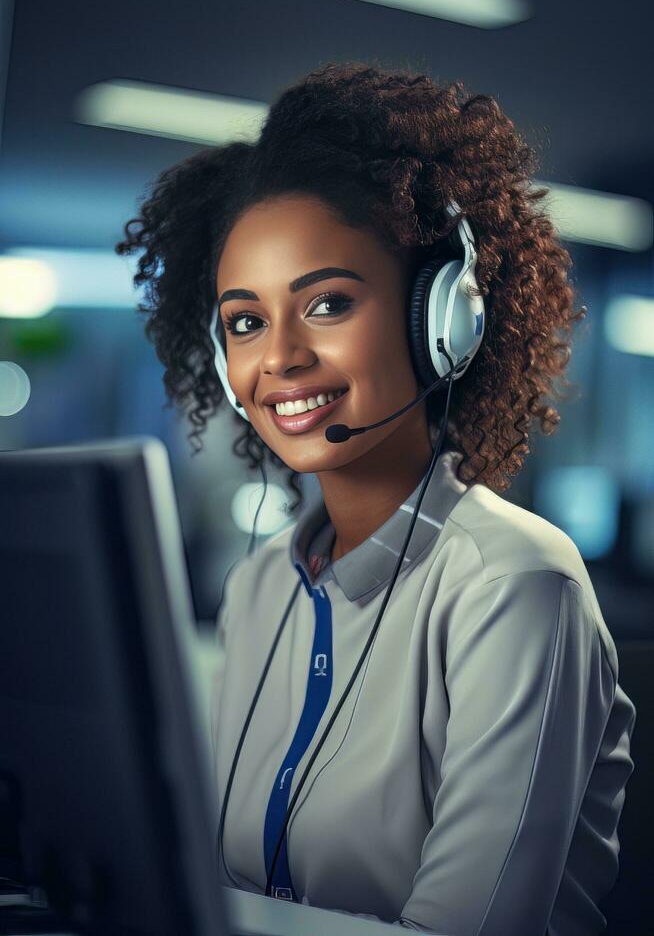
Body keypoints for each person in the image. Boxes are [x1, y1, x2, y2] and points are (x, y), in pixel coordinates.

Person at [117, 61, 636, 936]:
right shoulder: (259, 591)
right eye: (245, 320)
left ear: (444, 319)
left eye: (326, 303)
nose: (277, 357)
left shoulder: (513, 585)